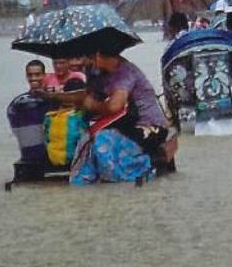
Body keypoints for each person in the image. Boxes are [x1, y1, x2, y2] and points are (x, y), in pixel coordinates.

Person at [68, 43, 173, 185]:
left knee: (102, 139)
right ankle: (84, 183)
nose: (87, 64)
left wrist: (92, 105)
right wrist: (51, 96)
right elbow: (86, 96)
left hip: (149, 126)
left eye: (90, 59)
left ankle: (127, 177)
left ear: (98, 56)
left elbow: (114, 106)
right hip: (124, 124)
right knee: (86, 138)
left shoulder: (125, 73)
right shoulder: (100, 74)